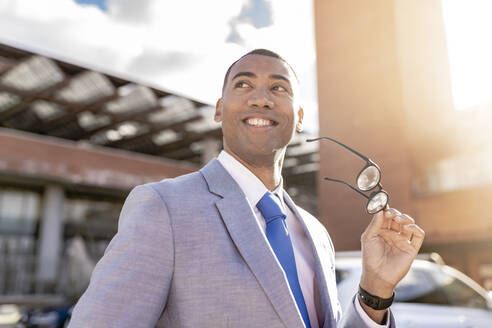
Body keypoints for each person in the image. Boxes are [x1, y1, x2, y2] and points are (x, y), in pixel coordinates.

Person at [68, 49, 425, 328]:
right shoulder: (164, 208)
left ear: (299, 116)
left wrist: (375, 291)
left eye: (278, 88)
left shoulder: (316, 234)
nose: (260, 99)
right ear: (220, 110)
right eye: (243, 84)